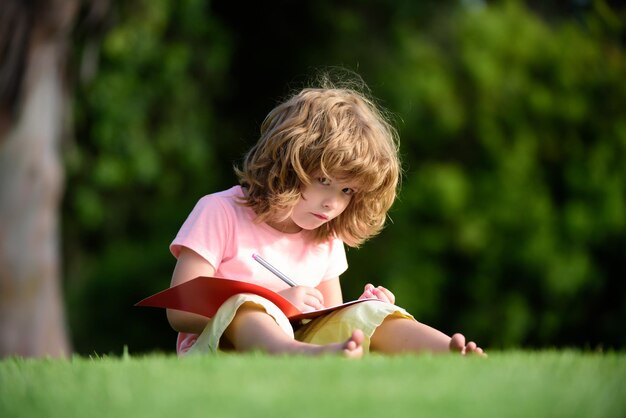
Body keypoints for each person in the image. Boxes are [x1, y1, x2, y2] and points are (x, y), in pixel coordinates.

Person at [166, 73, 485, 358]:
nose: (332, 203)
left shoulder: (326, 235)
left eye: (347, 191)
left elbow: (328, 316)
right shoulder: (219, 211)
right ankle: (292, 355)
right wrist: (275, 301)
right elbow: (179, 310)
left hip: (308, 345)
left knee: (369, 312)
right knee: (245, 307)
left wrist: (360, 307)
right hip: (221, 350)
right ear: (287, 163)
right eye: (323, 181)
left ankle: (446, 352)